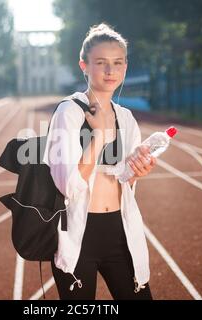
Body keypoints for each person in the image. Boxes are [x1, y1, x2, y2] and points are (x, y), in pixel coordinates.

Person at [42, 23, 156, 300]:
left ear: (125, 67)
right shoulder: (68, 112)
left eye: (117, 63)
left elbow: (125, 178)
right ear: (84, 65)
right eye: (101, 62)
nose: (110, 70)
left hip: (120, 231)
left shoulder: (126, 118)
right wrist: (100, 136)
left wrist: (138, 170)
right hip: (78, 235)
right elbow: (67, 186)